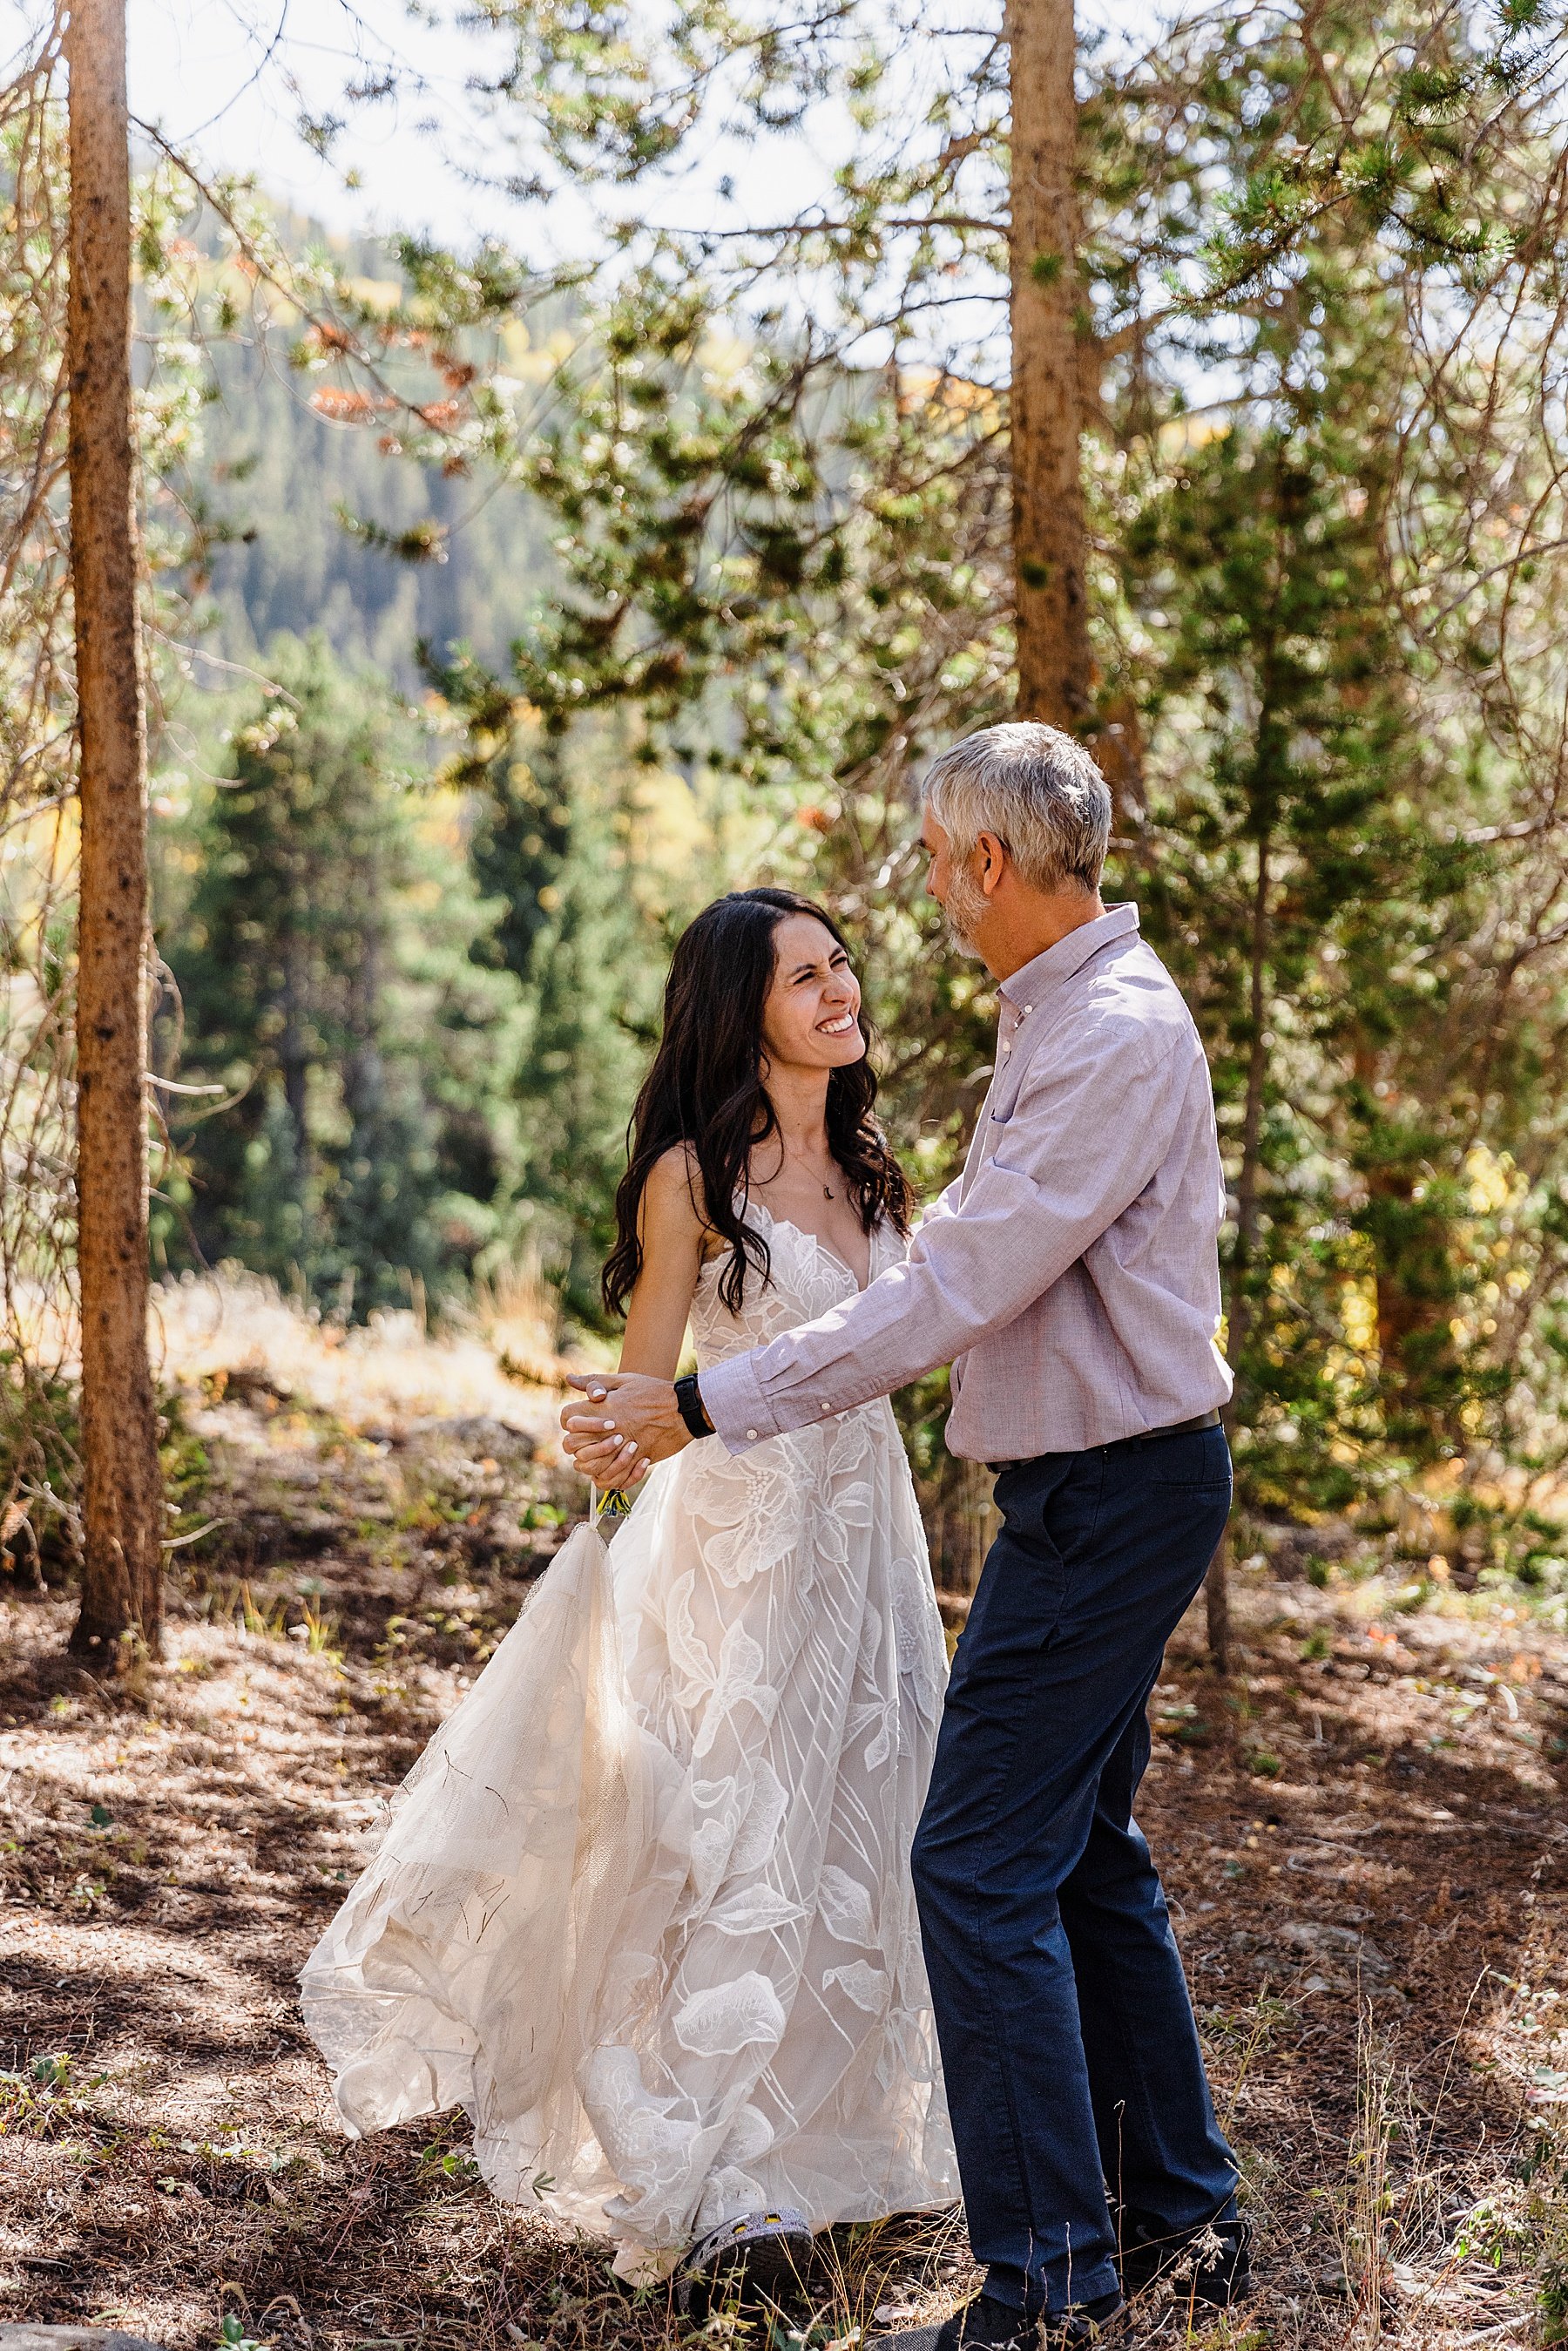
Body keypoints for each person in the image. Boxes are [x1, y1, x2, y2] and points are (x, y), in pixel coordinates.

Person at [563, 722, 1252, 2349]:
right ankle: (1185, 2217)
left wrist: (716, 1408)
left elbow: (948, 1287)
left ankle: (1047, 2282)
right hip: (1093, 1487)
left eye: (939, 861)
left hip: (1111, 1491)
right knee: (1081, 1851)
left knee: (973, 1858)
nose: (929, 893)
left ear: (989, 862)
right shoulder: (1063, 1017)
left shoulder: (1105, 1035)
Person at [301, 886, 956, 2305]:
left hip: (868, 1546)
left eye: (844, 964)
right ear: (744, 1007)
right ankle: (721, 2165)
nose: (841, 991)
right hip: (742, 1553)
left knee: (864, 1815)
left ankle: (838, 2146)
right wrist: (599, 1450)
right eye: (805, 976)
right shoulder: (692, 1177)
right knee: (738, 1833)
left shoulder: (873, 1167)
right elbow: (643, 1380)